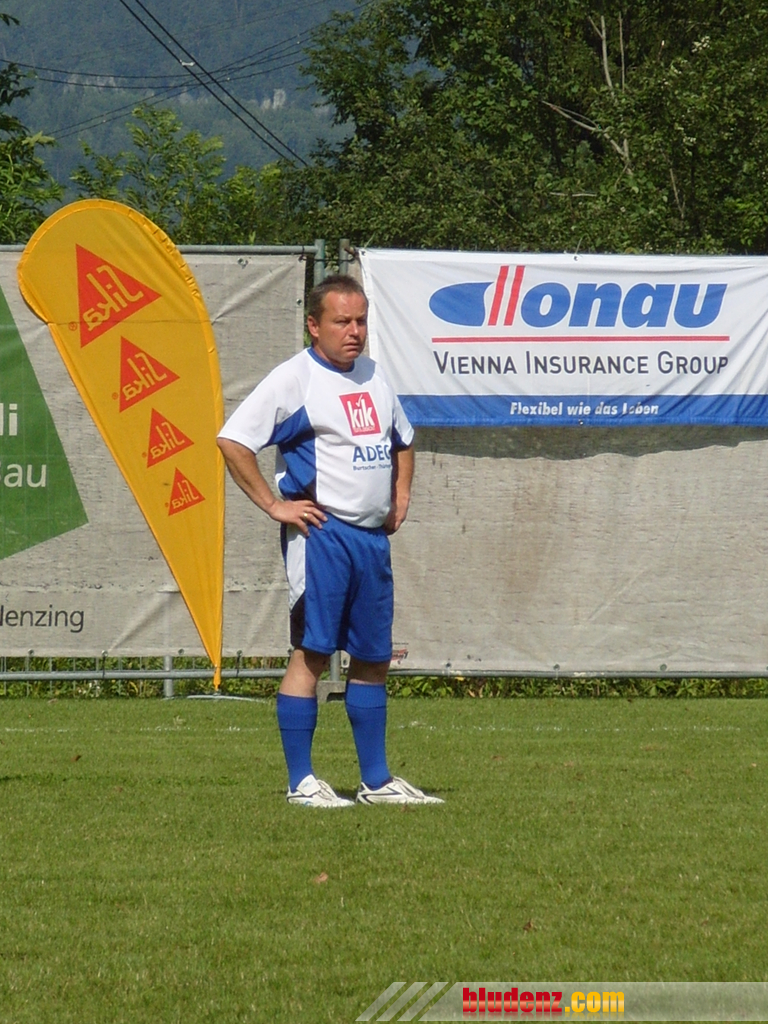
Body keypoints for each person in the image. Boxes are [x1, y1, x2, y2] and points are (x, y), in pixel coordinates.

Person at [217, 274, 443, 808]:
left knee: (373, 657)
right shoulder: (294, 379)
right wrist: (275, 505)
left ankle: (376, 782)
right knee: (313, 652)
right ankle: (301, 782)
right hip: (321, 537)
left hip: (371, 540)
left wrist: (400, 495)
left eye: (360, 320)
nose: (354, 331)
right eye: (342, 321)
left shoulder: (374, 375)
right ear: (313, 325)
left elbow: (404, 439)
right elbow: (233, 440)